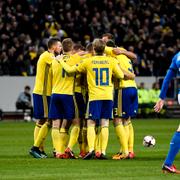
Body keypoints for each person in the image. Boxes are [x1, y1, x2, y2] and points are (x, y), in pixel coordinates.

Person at [59, 38, 135, 159]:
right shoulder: (111, 61)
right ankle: (103, 152)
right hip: (108, 96)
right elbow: (121, 75)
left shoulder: (88, 61)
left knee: (90, 122)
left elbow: (69, 71)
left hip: (94, 96)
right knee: (104, 123)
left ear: (94, 49)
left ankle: (93, 149)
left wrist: (60, 61)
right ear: (104, 49)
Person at [29, 37, 62, 158]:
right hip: (43, 92)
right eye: (59, 46)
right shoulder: (47, 56)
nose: (61, 48)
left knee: (44, 120)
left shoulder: (48, 56)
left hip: (45, 93)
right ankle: (37, 148)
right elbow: (59, 62)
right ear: (53, 47)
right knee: (45, 120)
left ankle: (40, 148)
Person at [49, 38, 81, 159]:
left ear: (62, 47)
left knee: (55, 124)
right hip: (68, 94)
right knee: (76, 122)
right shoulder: (75, 58)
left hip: (55, 93)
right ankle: (68, 148)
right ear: (72, 48)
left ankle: (58, 151)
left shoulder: (54, 61)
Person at [154, 51, 180, 174]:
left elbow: (168, 77)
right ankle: (168, 163)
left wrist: (161, 97)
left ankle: (168, 164)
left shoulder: (177, 56)